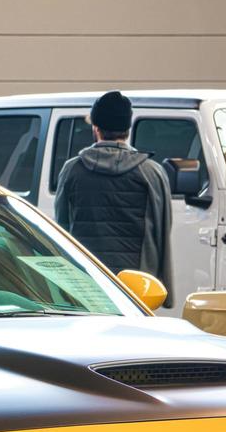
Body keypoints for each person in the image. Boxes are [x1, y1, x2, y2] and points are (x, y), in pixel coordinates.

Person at [53, 90, 171, 288]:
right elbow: (162, 233)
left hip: (86, 283)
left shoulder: (72, 170)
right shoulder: (151, 172)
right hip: (137, 288)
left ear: (95, 128)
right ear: (128, 128)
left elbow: (62, 227)